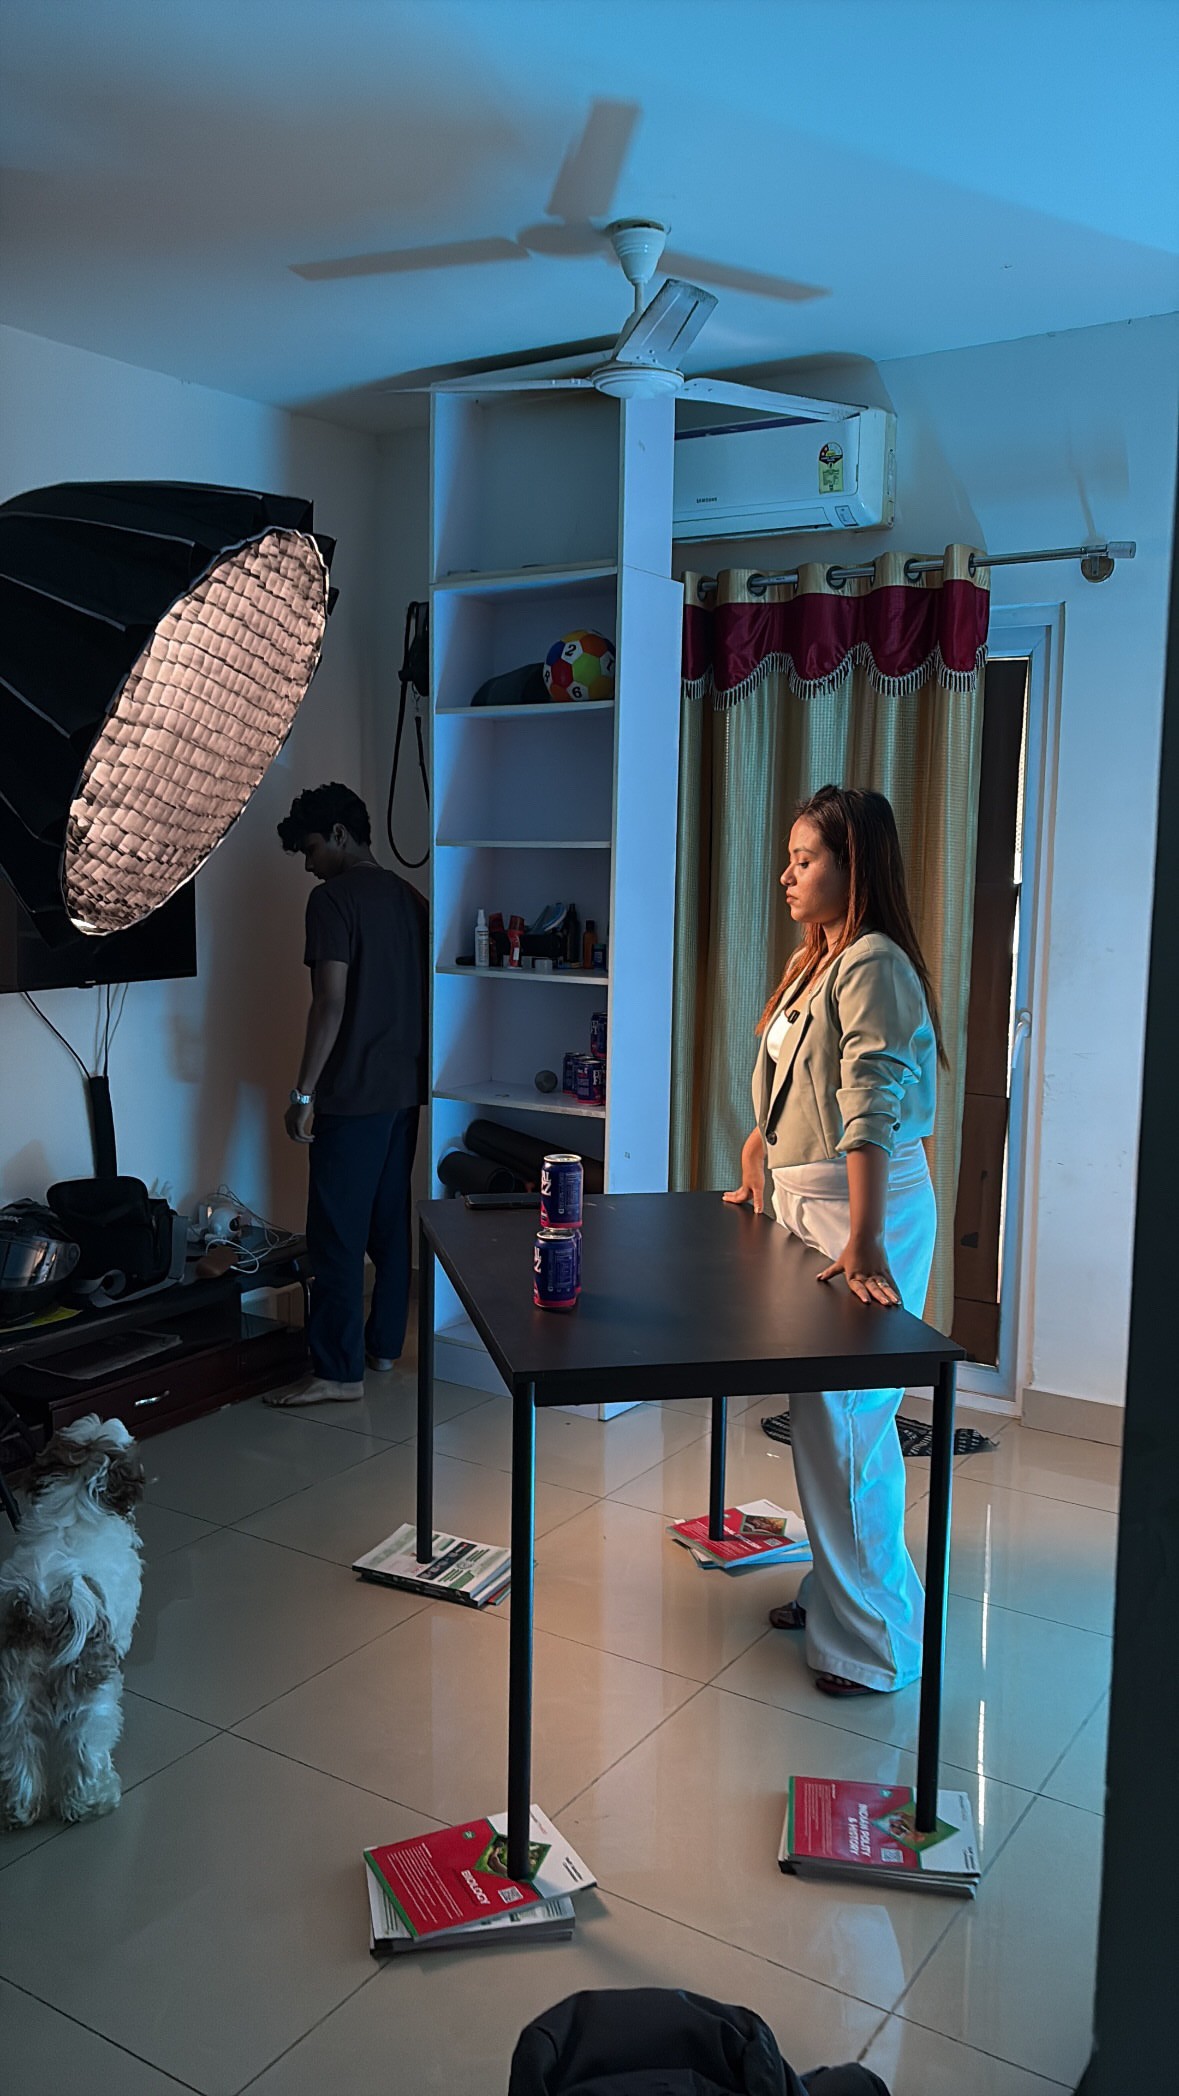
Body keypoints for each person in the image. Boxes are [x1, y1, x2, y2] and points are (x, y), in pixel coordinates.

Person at [724, 785, 944, 1697]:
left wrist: (864, 1244)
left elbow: (870, 1113)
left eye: (805, 859)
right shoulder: (821, 959)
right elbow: (787, 1085)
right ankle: (834, 1594)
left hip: (865, 1211)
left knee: (848, 1426)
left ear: (854, 868)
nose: (786, 874)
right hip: (813, 1203)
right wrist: (754, 1164)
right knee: (823, 1422)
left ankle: (876, 1644)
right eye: (789, 856)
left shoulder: (872, 962)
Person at [266, 783, 427, 1406]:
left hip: (352, 1093)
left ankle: (336, 1372)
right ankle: (383, 1348)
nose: (308, 865)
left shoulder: (331, 901)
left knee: (335, 1234)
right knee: (389, 1225)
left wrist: (302, 1091)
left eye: (310, 849)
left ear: (338, 834)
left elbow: (329, 1001)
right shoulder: (412, 899)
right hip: (403, 1091)